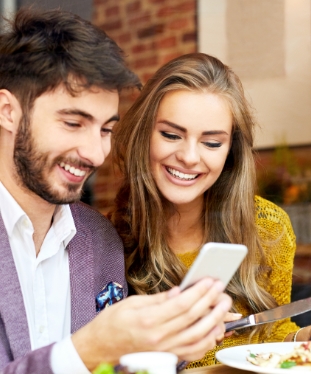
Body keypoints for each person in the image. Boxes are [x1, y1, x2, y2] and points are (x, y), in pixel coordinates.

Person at [0, 9, 232, 374]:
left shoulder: (100, 238)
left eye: (106, 129)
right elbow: (87, 356)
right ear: (8, 111)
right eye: (74, 123)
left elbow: (115, 368)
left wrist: (169, 345)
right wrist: (87, 349)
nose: (95, 153)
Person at [111, 53, 311, 368]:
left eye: (212, 143)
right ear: (144, 135)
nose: (188, 157)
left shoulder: (267, 227)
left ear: (230, 151)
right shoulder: (107, 240)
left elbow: (272, 337)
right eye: (171, 135)